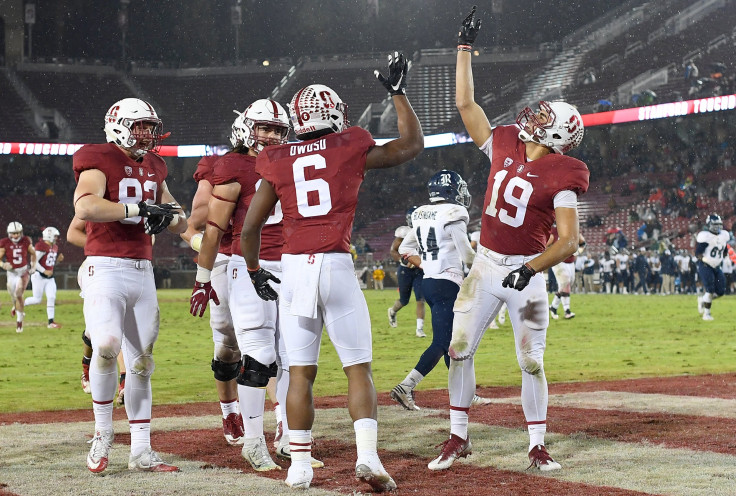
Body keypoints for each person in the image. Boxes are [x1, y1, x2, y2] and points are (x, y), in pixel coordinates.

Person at [240, 52, 423, 490]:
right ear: (335, 114)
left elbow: (250, 228)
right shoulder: (349, 144)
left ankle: (300, 467)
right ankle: (368, 458)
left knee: (300, 371)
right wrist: (398, 94)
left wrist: (253, 270)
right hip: (336, 264)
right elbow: (411, 146)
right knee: (357, 367)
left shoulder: (278, 158)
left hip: (293, 268)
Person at [428, 7, 589, 473]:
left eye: (543, 116)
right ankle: (458, 437)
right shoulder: (503, 142)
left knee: (532, 361)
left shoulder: (564, 175)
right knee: (458, 348)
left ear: (555, 134)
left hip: (530, 277)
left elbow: (568, 242)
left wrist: (529, 270)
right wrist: (463, 48)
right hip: (484, 268)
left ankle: (537, 444)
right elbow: (465, 105)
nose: (532, 115)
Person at [189, 98, 322, 471]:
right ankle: (252, 440)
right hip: (247, 265)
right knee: (260, 356)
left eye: (279, 130)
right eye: (265, 128)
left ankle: (287, 437)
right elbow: (213, 229)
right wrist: (202, 279)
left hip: (291, 266)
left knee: (292, 357)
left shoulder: (291, 162)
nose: (271, 136)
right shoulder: (233, 165)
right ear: (247, 128)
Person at [73, 97, 185, 474]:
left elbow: (180, 218)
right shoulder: (97, 156)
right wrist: (137, 209)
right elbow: (87, 206)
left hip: (142, 270)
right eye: (140, 126)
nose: (148, 134)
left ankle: (141, 450)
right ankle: (103, 433)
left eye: (150, 127)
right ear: (118, 125)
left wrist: (166, 215)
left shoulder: (154, 164)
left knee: (141, 363)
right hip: (105, 266)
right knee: (105, 345)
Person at [390, 170, 476, 411]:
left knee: (452, 339)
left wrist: (427, 264)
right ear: (451, 191)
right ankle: (406, 386)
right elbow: (467, 255)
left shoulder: (420, 213)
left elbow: (406, 249)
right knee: (443, 341)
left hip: (430, 282)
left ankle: (465, 392)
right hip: (448, 284)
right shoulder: (454, 213)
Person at [180, 138, 245, 448]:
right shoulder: (219, 168)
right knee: (228, 345)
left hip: (273, 258)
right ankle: (230, 411)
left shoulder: (282, 160)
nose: (270, 137)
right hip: (227, 257)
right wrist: (205, 248)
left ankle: (284, 423)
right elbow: (193, 223)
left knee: (276, 343)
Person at [67, 216, 127, 405]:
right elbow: (72, 233)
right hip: (96, 269)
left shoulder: (135, 202)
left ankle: (125, 381)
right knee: (97, 330)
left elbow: (149, 239)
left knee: (122, 331)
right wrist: (105, 248)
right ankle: (87, 367)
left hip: (128, 269)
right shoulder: (95, 203)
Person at [387, 206, 427, 338]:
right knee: (404, 300)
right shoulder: (403, 231)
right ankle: (392, 311)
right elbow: (393, 250)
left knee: (421, 299)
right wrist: (401, 260)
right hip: (406, 270)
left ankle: (419, 329)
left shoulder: (426, 228)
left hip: (420, 269)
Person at [23, 226, 64, 328]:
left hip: (49, 278)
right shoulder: (41, 245)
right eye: (55, 236)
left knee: (51, 297)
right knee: (37, 299)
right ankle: (19, 304)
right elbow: (34, 262)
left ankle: (51, 322)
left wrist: (57, 261)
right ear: (49, 235)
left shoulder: (54, 247)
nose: (56, 239)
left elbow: (49, 264)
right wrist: (44, 271)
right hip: (38, 276)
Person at [1, 222, 37, 333]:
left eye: (17, 233)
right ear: (9, 233)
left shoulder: (26, 240)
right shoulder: (4, 242)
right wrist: (3, 264)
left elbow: (33, 253)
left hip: (23, 272)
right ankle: (15, 306)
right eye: (13, 233)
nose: (16, 236)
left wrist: (33, 265)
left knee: (19, 294)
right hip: (11, 273)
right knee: (13, 296)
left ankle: (19, 323)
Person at [695, 214, 729, 320]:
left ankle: (702, 300)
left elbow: (724, 250)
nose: (717, 227)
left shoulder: (723, 235)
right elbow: (697, 253)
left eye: (718, 225)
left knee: (721, 291)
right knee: (710, 289)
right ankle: (707, 314)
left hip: (716, 266)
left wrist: (724, 257)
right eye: (714, 225)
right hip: (706, 265)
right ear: (709, 225)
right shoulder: (705, 237)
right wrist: (704, 259)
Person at [549, 230, 585, 319]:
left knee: (567, 285)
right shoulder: (554, 233)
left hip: (570, 262)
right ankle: (567, 310)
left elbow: (582, 243)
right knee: (566, 282)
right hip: (558, 261)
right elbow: (544, 246)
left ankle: (554, 307)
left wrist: (578, 252)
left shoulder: (573, 229)